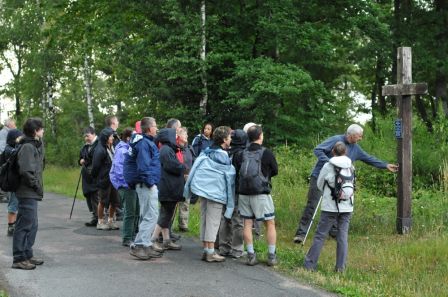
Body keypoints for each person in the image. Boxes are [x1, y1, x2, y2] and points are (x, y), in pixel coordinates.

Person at [293, 124, 398, 244]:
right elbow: (318, 150)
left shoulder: (355, 148)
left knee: (336, 205)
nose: (360, 139)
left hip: (338, 182)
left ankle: (333, 232)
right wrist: (330, 162)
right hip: (320, 176)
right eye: (359, 136)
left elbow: (369, 158)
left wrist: (385, 165)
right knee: (312, 204)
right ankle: (301, 234)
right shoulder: (335, 140)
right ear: (351, 135)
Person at [184, 126, 235, 263]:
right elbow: (227, 174)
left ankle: (206, 249)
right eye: (229, 137)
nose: (231, 139)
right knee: (213, 222)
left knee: (205, 219)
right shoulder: (222, 155)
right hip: (215, 192)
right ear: (224, 140)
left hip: (204, 190)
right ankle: (211, 252)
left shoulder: (207, 151)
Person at [304, 141, 354, 272]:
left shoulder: (328, 165)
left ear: (333, 152)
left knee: (320, 235)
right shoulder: (351, 166)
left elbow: (320, 184)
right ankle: (340, 268)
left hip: (330, 207)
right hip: (347, 207)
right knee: (342, 236)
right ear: (345, 152)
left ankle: (310, 265)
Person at [234, 125, 279, 266]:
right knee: (270, 223)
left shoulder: (241, 154)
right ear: (260, 136)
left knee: (247, 223)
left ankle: (251, 255)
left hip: (244, 193)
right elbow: (275, 170)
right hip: (261, 193)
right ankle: (271, 256)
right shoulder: (266, 153)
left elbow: (236, 169)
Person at [123, 117, 164, 260]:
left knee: (147, 215)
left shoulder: (143, 142)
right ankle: (139, 245)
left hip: (144, 183)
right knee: (151, 215)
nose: (157, 128)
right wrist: (151, 182)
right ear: (148, 128)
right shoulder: (144, 144)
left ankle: (145, 244)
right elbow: (143, 167)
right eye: (155, 126)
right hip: (145, 184)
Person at [12, 118, 45, 270]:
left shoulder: (34, 145)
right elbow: (25, 171)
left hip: (31, 192)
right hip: (27, 191)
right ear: (35, 131)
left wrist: (40, 143)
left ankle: (27, 254)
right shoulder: (27, 147)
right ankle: (19, 258)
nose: (43, 130)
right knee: (24, 225)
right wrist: (36, 185)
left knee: (32, 224)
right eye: (41, 128)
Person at [150, 128, 184, 250]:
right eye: (174, 135)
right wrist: (183, 166)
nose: (176, 138)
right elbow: (173, 166)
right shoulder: (166, 150)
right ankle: (152, 239)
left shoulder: (167, 149)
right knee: (165, 215)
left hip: (169, 187)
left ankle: (166, 240)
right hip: (168, 188)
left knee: (167, 214)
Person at [218, 129, 247, 258]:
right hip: (236, 191)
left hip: (225, 190)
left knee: (225, 218)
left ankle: (224, 247)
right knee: (238, 221)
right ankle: (237, 249)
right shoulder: (242, 154)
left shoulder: (225, 152)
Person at [110, 127, 139, 246]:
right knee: (130, 212)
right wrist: (128, 183)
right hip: (126, 185)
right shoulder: (122, 150)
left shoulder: (128, 148)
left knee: (136, 210)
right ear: (128, 138)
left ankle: (133, 235)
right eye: (134, 136)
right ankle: (127, 238)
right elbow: (118, 170)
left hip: (132, 184)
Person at [91, 128, 120, 230]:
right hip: (104, 179)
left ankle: (111, 221)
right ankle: (100, 222)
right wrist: (96, 179)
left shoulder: (111, 146)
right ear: (106, 138)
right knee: (103, 201)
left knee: (114, 201)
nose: (113, 137)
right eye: (111, 136)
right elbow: (95, 167)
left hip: (113, 179)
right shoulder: (100, 150)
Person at [78, 127, 99, 227]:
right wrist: (80, 161)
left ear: (93, 134)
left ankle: (99, 217)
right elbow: (80, 158)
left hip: (96, 175)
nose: (86, 138)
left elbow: (97, 159)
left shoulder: (99, 144)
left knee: (96, 196)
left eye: (88, 135)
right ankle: (95, 216)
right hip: (86, 175)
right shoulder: (84, 147)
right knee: (88, 195)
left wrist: (85, 160)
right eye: (85, 136)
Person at [4, 129, 23, 236]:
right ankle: (11, 226)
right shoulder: (8, 149)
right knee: (13, 204)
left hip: (18, 180)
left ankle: (16, 225)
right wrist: (19, 143)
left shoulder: (13, 147)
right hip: (13, 182)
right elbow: (16, 155)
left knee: (19, 204)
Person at [177, 127, 195, 232]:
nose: (187, 136)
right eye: (185, 134)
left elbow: (193, 160)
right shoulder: (175, 148)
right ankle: (167, 224)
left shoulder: (189, 148)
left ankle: (183, 224)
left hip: (188, 176)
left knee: (186, 201)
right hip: (178, 176)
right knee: (175, 201)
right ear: (178, 136)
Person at [0, 118, 17, 203]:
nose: (15, 126)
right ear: (10, 125)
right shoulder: (4, 133)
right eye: (14, 125)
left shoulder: (6, 132)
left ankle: (4, 195)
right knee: (3, 175)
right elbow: (2, 147)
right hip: (2, 158)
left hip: (3, 157)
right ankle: (3, 196)